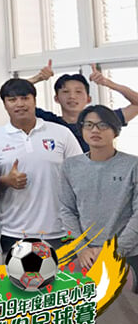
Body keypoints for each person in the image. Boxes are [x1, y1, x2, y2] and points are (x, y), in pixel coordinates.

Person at [0, 78, 83, 254]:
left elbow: (81, 176)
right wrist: (5, 180)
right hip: (15, 233)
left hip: (62, 232)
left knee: (65, 274)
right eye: (12, 100)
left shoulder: (61, 133)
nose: (19, 104)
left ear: (34, 100)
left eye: (25, 98)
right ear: (4, 104)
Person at [59, 104, 138, 275]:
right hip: (85, 255)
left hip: (127, 254)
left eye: (103, 125)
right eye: (89, 125)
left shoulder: (133, 165)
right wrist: (81, 248)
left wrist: (115, 251)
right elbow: (67, 210)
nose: (95, 130)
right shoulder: (70, 166)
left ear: (115, 131)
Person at [28, 61, 138, 152]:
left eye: (78, 92)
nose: (72, 96)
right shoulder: (48, 122)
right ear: (56, 98)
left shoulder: (103, 120)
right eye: (66, 92)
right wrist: (37, 78)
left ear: (88, 99)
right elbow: (17, 95)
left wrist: (108, 83)